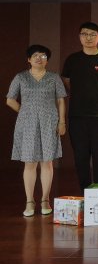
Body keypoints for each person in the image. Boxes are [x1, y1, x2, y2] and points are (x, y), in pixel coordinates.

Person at [6, 45, 67, 217]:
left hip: (49, 122)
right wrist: (25, 112)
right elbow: (10, 100)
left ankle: (45, 199)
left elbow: (61, 100)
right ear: (29, 59)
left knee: (47, 162)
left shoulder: (54, 77)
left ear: (47, 60)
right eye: (35, 55)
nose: (39, 58)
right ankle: (29, 201)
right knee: (30, 163)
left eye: (43, 56)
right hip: (27, 124)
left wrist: (62, 122)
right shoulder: (21, 77)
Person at [61, 22, 98, 192]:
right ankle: (85, 192)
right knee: (80, 157)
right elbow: (67, 82)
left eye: (92, 34)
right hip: (77, 116)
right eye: (84, 34)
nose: (88, 37)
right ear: (79, 37)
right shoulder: (72, 59)